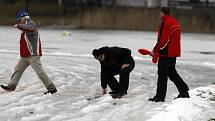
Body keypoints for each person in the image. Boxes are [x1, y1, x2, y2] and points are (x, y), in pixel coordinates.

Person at [0, 11, 57, 94]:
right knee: (18, 69)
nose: (19, 22)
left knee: (39, 72)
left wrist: (20, 25)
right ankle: (11, 86)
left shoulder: (31, 24)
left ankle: (51, 88)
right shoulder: (24, 28)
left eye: (20, 20)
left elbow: (31, 28)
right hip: (25, 56)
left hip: (33, 54)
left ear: (24, 18)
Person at [148, 7, 190, 102]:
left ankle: (160, 97)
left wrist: (155, 50)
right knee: (171, 73)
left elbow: (164, 40)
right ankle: (184, 91)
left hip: (166, 53)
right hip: (173, 52)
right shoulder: (175, 22)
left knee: (162, 74)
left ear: (162, 13)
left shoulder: (165, 22)